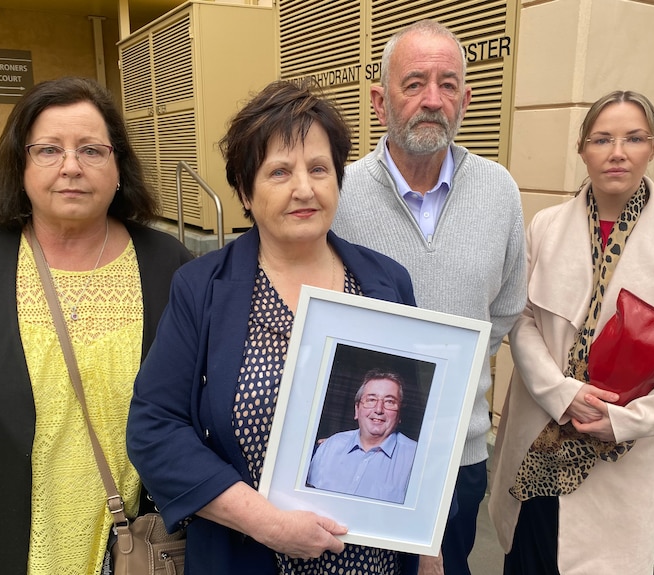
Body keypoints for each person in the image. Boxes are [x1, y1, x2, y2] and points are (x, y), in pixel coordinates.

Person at [0, 76, 193, 575]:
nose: (71, 167)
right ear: (21, 165)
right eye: (49, 150)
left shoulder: (172, 269)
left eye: (92, 151)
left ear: (119, 166)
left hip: (138, 554)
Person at [126, 80, 419, 574]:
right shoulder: (201, 289)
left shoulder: (387, 282)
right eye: (279, 171)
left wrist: (428, 555)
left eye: (319, 169)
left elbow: (428, 432)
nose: (303, 188)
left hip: (375, 564)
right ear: (244, 189)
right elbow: (154, 429)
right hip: (249, 556)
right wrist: (268, 523)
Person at [488, 90, 654, 574]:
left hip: (627, 447)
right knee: (531, 554)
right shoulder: (546, 225)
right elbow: (523, 318)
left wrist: (627, 421)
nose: (617, 152)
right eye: (602, 139)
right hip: (544, 431)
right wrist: (562, 392)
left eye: (634, 138)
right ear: (582, 149)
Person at [331, 20, 527, 574]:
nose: (432, 100)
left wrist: (449, 370)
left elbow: (509, 305)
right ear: (379, 100)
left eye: (448, 84)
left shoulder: (499, 191)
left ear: (465, 98)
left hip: (457, 451)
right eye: (414, 83)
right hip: (358, 447)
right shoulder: (339, 193)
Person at [307, 369, 418, 504]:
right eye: (371, 399)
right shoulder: (330, 446)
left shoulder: (416, 460)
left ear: (399, 414)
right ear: (357, 409)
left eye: (389, 402)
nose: (378, 409)